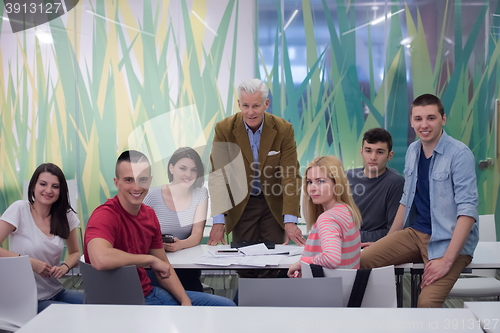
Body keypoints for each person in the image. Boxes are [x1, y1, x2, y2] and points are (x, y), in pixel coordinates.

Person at [360, 94, 479, 308]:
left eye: (431, 118)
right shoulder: (413, 150)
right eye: (418, 119)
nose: (424, 125)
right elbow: (406, 201)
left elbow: (467, 213)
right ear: (412, 122)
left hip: (448, 241)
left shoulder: (460, 154)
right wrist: (387, 240)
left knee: (427, 304)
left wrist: (446, 261)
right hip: (416, 233)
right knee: (362, 260)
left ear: (443, 119)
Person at [84, 150, 234, 306]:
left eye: (142, 180)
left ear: (149, 181)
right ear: (117, 182)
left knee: (226, 306)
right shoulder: (104, 215)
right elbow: (100, 259)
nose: (136, 187)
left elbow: (164, 268)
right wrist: (150, 260)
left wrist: (185, 301)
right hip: (119, 303)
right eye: (129, 180)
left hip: (148, 294)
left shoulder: (149, 215)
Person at [208, 78, 305, 251]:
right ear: (239, 104)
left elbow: (290, 175)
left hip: (273, 204)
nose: (250, 112)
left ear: (266, 104)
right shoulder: (224, 129)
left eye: (256, 106)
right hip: (242, 205)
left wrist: (290, 220)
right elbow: (219, 177)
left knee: (274, 262)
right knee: (243, 262)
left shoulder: (284, 129)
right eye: (245, 106)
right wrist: (218, 221)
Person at [0, 163, 83, 312]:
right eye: (43, 184)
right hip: (27, 301)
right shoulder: (19, 209)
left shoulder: (66, 215)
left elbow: (75, 253)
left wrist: (65, 266)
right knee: (74, 316)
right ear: (33, 187)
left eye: (55, 186)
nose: (48, 190)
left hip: (56, 291)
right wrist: (28, 262)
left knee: (99, 304)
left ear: (61, 191)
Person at [143, 147, 207, 292]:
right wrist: (159, 246)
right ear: (171, 168)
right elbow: (139, 235)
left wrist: (180, 244)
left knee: (190, 297)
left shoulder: (201, 193)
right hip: (155, 264)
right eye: (183, 168)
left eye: (194, 170)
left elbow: (197, 234)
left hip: (185, 266)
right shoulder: (151, 195)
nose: (188, 175)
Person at [288, 156, 361, 278]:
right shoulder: (347, 211)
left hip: (327, 292)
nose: (312, 188)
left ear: (336, 184)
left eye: (320, 181)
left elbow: (332, 258)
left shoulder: (327, 219)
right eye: (309, 182)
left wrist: (302, 263)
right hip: (345, 289)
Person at [346, 128, 404, 246]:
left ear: (390, 155)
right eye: (368, 151)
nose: (373, 157)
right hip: (343, 243)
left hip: (375, 246)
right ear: (361, 152)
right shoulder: (346, 177)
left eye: (380, 152)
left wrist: (352, 237)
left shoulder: (395, 183)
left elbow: (393, 231)